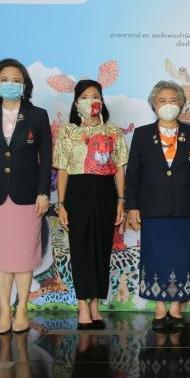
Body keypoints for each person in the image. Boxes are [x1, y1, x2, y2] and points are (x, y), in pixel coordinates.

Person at [0, 58, 52, 334]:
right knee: (1, 256)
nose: (10, 84)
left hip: (27, 197)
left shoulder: (37, 115)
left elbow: (46, 158)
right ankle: (5, 310)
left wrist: (43, 192)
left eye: (16, 80)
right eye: (4, 79)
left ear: (25, 85)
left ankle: (22, 310)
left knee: (24, 256)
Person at [126, 81, 190, 331]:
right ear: (154, 105)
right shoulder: (142, 135)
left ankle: (175, 307)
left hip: (185, 209)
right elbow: (133, 175)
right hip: (152, 209)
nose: (168, 105)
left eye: (173, 100)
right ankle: (160, 307)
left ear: (181, 104)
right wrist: (132, 206)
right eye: (162, 101)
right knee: (156, 257)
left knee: (182, 257)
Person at [53, 80, 127, 330]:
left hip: (106, 193)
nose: (90, 101)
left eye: (95, 96)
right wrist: (61, 204)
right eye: (84, 97)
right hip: (77, 193)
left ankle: (95, 305)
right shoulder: (68, 132)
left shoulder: (113, 131)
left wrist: (121, 201)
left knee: (101, 249)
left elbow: (119, 169)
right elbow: (62, 170)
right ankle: (82, 305)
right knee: (81, 248)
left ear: (102, 102)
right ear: (76, 103)